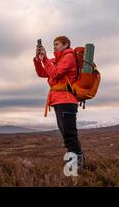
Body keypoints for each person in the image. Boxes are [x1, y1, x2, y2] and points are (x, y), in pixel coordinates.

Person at [33, 36, 84, 169]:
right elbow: (42, 73)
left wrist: (45, 59)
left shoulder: (69, 57)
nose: (54, 46)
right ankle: (77, 161)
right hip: (58, 100)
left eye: (57, 44)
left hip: (66, 100)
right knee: (66, 133)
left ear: (66, 45)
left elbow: (55, 74)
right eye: (53, 44)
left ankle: (76, 164)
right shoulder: (57, 60)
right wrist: (39, 59)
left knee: (69, 135)